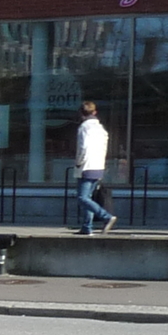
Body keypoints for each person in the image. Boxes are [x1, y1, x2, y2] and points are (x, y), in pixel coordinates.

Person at [74, 99, 117, 235]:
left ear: (81, 113)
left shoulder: (84, 128)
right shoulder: (101, 129)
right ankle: (87, 227)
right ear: (95, 112)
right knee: (89, 197)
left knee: (82, 197)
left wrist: (78, 162)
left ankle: (106, 217)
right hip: (98, 166)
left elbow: (83, 147)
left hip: (86, 166)